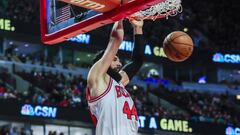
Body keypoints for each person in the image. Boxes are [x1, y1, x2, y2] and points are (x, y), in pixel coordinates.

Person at [86, 18, 145, 135]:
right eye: (114, 59)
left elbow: (137, 61)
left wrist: (138, 28)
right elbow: (116, 40)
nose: (120, 64)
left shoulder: (119, 82)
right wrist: (120, 16)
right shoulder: (97, 79)